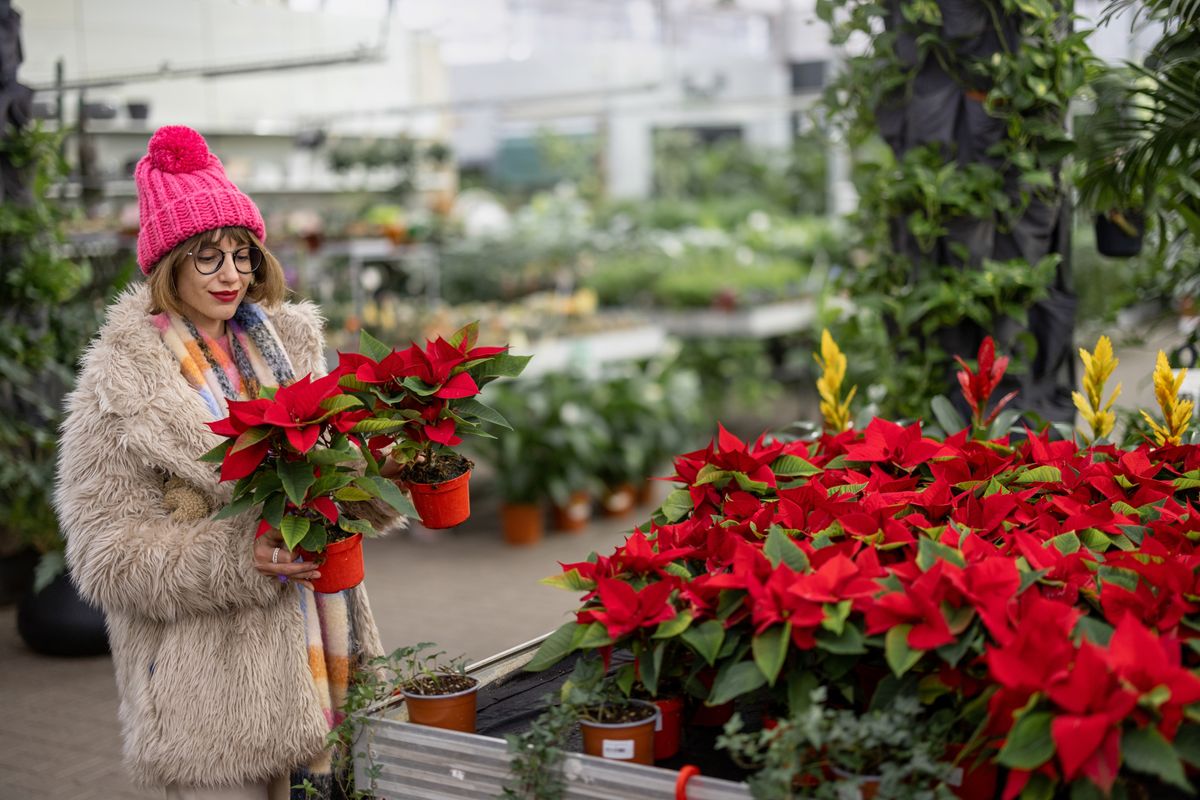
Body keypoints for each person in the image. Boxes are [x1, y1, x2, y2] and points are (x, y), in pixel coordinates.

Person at [55, 125, 403, 800]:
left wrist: (391, 465)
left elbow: (334, 475)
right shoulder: (120, 385)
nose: (232, 275)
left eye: (242, 255)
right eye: (208, 257)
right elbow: (106, 556)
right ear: (169, 264)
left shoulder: (288, 347)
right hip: (210, 692)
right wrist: (242, 556)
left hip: (321, 651)